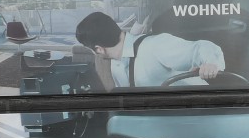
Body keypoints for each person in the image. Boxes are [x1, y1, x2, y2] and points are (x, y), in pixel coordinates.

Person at [75, 12, 224, 88]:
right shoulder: (116, 63)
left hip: (196, 115)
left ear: (99, 49)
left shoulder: (156, 46)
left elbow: (202, 47)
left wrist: (211, 63)